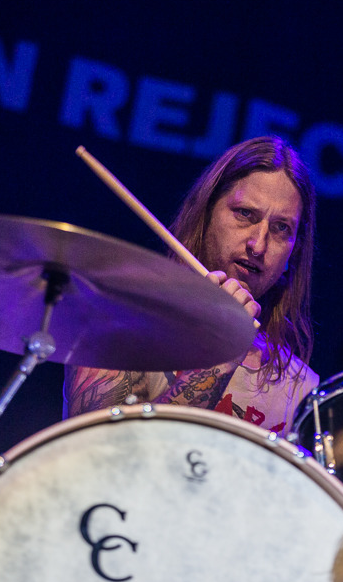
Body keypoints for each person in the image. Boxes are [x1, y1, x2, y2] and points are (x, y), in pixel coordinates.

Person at [63, 136, 318, 435]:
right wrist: (222, 347)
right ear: (206, 214)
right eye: (245, 214)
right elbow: (103, 452)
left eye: (281, 229)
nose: (257, 245)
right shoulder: (119, 319)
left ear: (294, 252)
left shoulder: (303, 390)